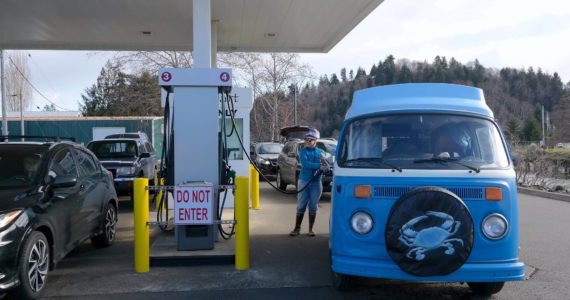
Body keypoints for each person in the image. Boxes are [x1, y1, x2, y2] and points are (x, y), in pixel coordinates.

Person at [289, 128, 329, 237]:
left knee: (313, 205)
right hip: (304, 181)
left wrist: (326, 166)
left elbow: (328, 166)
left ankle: (311, 230)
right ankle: (297, 229)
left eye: (310, 140)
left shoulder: (321, 153)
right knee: (301, 205)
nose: (307, 142)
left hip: (316, 182)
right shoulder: (303, 152)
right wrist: (319, 166)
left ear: (316, 140)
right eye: (306, 139)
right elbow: (306, 164)